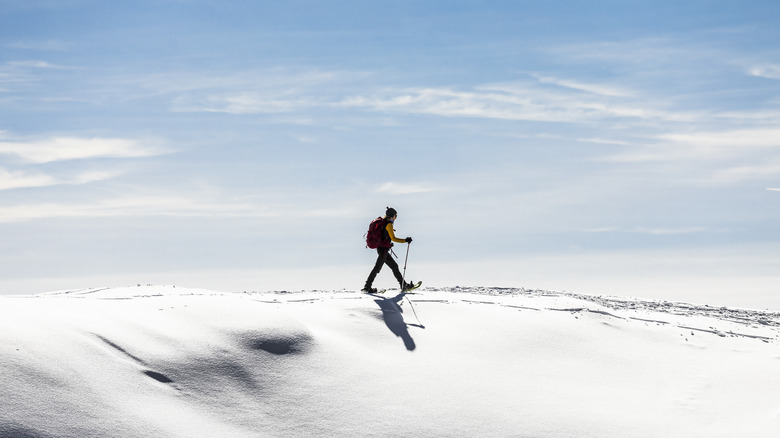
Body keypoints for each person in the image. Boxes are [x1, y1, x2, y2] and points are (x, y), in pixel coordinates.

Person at [362, 207, 414, 293]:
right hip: (383, 250)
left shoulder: (384, 222)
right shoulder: (389, 224)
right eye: (395, 216)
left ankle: (403, 285)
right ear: (392, 216)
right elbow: (393, 238)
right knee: (377, 268)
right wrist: (405, 240)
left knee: (394, 266)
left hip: (382, 249)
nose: (396, 218)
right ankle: (367, 287)